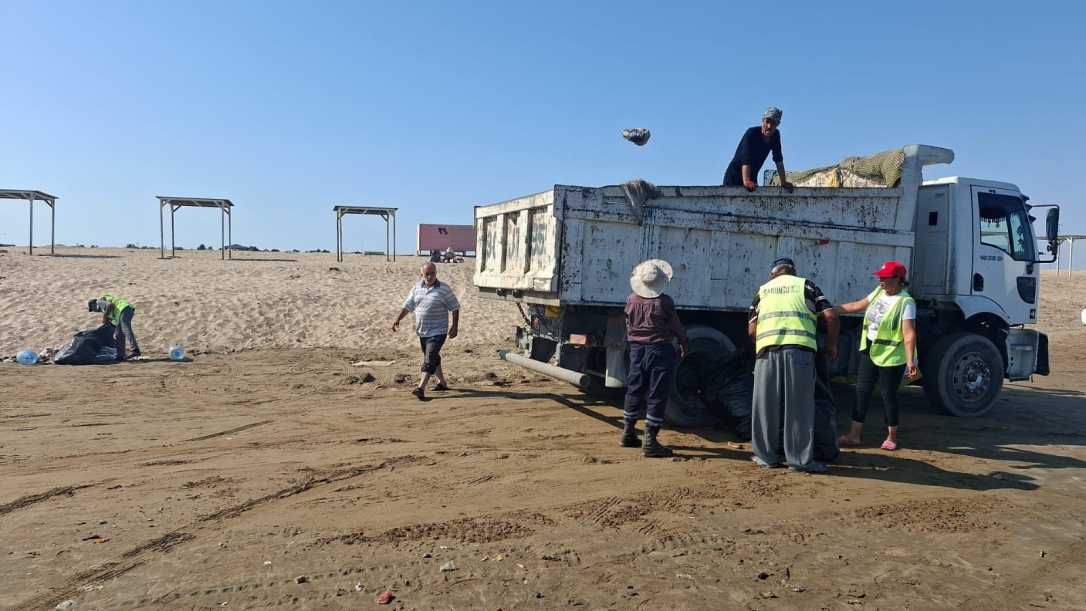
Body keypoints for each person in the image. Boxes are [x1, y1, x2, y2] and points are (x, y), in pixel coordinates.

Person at [748, 257, 838, 472]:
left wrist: (765, 342)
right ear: (794, 272)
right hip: (799, 353)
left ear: (773, 274)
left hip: (766, 353)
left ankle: (765, 457)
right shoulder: (806, 285)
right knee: (799, 408)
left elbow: (752, 330)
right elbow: (831, 316)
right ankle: (799, 461)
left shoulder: (763, 290)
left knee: (764, 408)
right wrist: (831, 345)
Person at [830, 261, 918, 451]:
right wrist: (829, 310)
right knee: (861, 391)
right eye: (880, 276)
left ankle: (891, 437)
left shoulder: (906, 302)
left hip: (893, 354)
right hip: (871, 350)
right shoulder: (878, 292)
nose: (880, 279)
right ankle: (854, 435)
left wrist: (910, 361)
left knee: (888, 394)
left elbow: (909, 333)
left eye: (884, 277)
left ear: (896, 280)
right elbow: (855, 306)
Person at [621, 259, 687, 458]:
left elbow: (628, 322)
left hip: (637, 349)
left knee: (635, 389)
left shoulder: (631, 299)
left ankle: (628, 433)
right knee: (657, 393)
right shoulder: (665, 301)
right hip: (659, 350)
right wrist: (684, 341)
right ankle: (650, 441)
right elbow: (675, 326)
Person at [392, 262, 461, 400]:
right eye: (426, 274)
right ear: (422, 274)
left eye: (432, 273)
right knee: (433, 356)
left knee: (429, 358)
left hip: (439, 331)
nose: (429, 276)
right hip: (423, 331)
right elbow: (407, 306)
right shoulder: (417, 288)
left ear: (436, 273)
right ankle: (442, 382)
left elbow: (454, 307)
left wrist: (454, 326)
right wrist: (397, 319)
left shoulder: (444, 289)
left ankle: (420, 387)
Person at [722, 107, 794, 192]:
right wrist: (746, 181)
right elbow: (746, 157)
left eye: (773, 123)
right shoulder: (752, 133)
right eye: (767, 122)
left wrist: (783, 182)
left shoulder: (775, 135)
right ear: (762, 120)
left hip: (752, 177)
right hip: (734, 177)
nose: (769, 126)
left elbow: (778, 159)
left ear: (778, 124)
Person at [88, 295, 141, 360]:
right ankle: (120, 355)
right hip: (121, 314)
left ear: (93, 305)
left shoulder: (99, 302)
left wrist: (104, 316)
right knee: (118, 334)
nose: (94, 311)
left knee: (126, 329)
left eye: (92, 309)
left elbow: (110, 305)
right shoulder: (104, 309)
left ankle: (135, 350)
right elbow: (111, 314)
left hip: (124, 309)